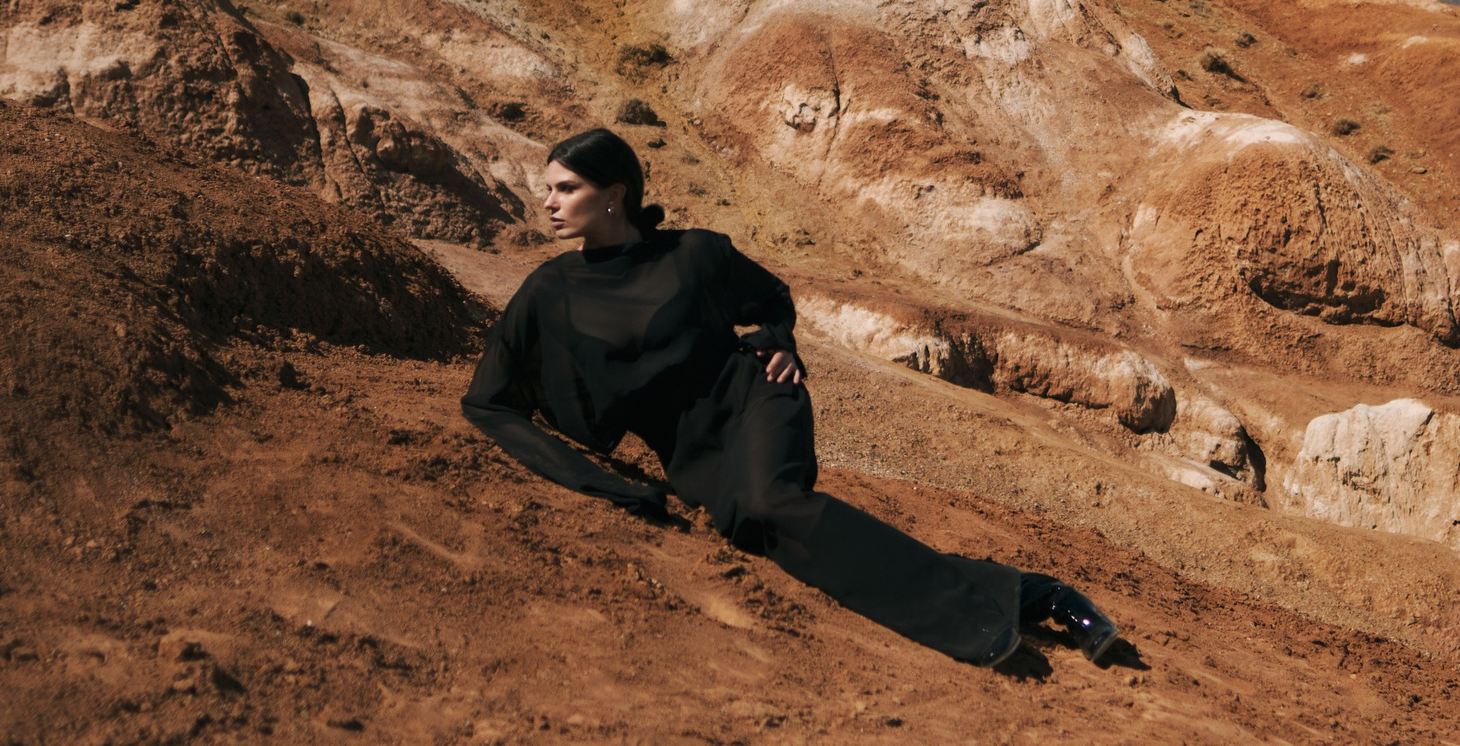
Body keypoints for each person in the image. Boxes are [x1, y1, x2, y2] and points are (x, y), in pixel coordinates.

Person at [460, 127, 1122, 668]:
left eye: (565, 188)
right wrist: (600, 482)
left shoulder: (693, 254)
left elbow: (771, 296)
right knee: (777, 534)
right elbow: (488, 398)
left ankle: (978, 625)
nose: (547, 201)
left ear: (614, 195)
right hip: (691, 455)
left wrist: (777, 339)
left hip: (757, 400)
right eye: (547, 188)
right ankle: (1034, 592)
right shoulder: (551, 291)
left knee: (774, 503)